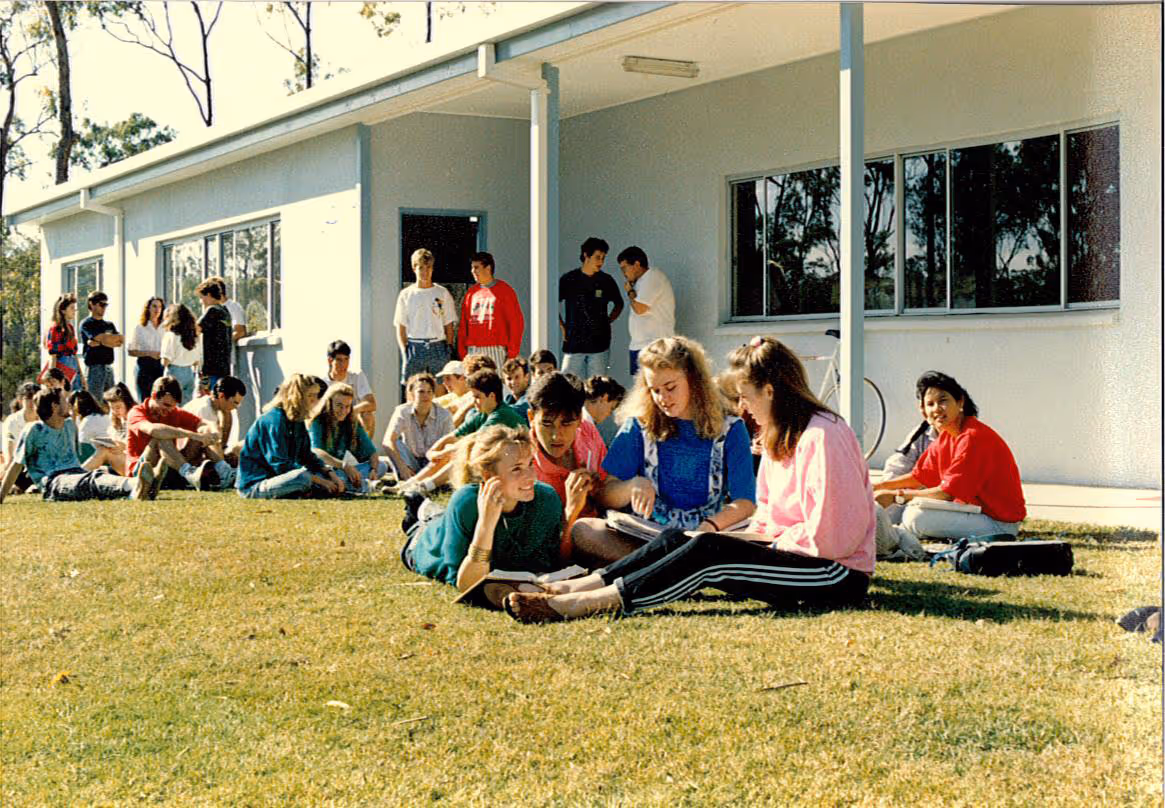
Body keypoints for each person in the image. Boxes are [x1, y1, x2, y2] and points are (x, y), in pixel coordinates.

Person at [505, 336, 875, 623]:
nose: (743, 408)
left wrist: (753, 542)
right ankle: (572, 586)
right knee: (680, 539)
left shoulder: (823, 436)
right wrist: (741, 539)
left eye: (746, 397)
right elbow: (767, 519)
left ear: (771, 392)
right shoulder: (783, 435)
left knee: (707, 550)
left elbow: (833, 538)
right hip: (795, 556)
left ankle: (582, 604)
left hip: (833, 574)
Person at [572, 336, 756, 564]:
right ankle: (680, 566)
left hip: (707, 536)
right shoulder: (638, 426)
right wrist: (631, 486)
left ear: (694, 379)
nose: (662, 399)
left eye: (670, 387)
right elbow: (605, 495)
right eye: (654, 390)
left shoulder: (732, 429)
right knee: (585, 530)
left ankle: (662, 565)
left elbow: (745, 502)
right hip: (647, 538)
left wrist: (709, 527)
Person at [402, 425, 568, 600]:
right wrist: (486, 523)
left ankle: (423, 506)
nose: (531, 476)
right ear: (488, 475)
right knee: (428, 521)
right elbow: (466, 583)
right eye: (517, 468)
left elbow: (547, 562)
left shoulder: (546, 498)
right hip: (425, 541)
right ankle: (416, 507)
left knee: (438, 514)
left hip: (447, 520)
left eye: (531, 464)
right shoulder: (465, 502)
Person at [873, 371, 1026, 544]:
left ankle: (896, 540)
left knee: (916, 515)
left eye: (943, 400)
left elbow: (946, 493)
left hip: (1000, 524)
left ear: (960, 402)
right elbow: (919, 476)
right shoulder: (947, 436)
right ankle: (897, 538)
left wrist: (895, 496)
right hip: (977, 514)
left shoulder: (972, 436)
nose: (936, 408)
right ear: (924, 413)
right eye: (930, 404)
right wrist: (878, 486)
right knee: (915, 509)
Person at [526, 372, 625, 564]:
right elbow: (544, 555)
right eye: (547, 424)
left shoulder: (588, 433)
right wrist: (570, 511)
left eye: (566, 423)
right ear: (531, 417)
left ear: (579, 418)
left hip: (603, 529)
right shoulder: (524, 465)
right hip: (568, 547)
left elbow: (606, 488)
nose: (556, 436)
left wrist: (598, 488)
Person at [392, 369, 526, 497]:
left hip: (517, 464)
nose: (473, 402)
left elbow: (471, 441)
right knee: (454, 452)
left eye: (477, 397)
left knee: (463, 452)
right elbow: (453, 435)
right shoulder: (482, 413)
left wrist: (441, 452)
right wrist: (434, 451)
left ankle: (425, 487)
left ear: (491, 396)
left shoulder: (501, 414)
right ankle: (409, 485)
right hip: (499, 462)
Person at [0, 386, 146, 503]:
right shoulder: (34, 430)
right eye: (64, 400)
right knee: (91, 480)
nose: (69, 404)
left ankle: (137, 486)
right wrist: (1, 496)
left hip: (77, 473)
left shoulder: (69, 425)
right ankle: (135, 484)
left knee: (92, 478)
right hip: (54, 482)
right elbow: (16, 465)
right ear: (54, 406)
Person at [237, 373, 345, 499]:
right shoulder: (274, 420)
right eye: (310, 395)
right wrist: (319, 481)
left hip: (281, 480)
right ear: (297, 397)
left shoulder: (297, 420)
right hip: (256, 485)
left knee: (331, 476)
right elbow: (280, 464)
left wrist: (329, 473)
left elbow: (307, 456)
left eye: (315, 395)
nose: (314, 400)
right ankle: (311, 490)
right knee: (303, 477)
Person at [127, 375, 220, 493]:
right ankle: (189, 474)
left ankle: (223, 470)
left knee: (200, 436)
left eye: (173, 406)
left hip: (167, 467)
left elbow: (204, 423)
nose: (170, 410)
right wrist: (192, 435)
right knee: (161, 438)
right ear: (154, 396)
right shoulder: (136, 412)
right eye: (166, 405)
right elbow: (153, 430)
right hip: (140, 470)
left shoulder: (173, 411)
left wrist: (210, 432)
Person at [559, 237, 624, 380]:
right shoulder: (569, 279)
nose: (601, 262)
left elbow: (619, 304)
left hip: (599, 345)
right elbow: (552, 303)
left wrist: (608, 320)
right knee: (568, 385)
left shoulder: (606, 280)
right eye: (597, 257)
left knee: (597, 387)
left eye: (603, 258)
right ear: (585, 255)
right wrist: (563, 327)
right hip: (574, 344)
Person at [308, 382, 385, 493]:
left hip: (340, 471)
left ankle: (356, 483)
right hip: (322, 469)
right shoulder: (318, 421)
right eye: (339, 405)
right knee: (320, 476)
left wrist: (373, 470)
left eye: (347, 406)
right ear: (329, 403)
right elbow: (316, 451)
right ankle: (365, 485)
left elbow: (372, 452)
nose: (344, 411)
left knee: (382, 466)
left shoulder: (352, 421)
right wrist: (345, 466)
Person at [395, 248, 457, 383]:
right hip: (415, 347)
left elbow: (449, 324)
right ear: (414, 268)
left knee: (440, 389)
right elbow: (400, 327)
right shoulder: (406, 294)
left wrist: (448, 347)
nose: (425, 272)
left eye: (428, 267)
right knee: (414, 390)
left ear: (433, 269)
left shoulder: (442, 293)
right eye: (421, 267)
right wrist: (405, 351)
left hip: (438, 346)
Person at [457, 251, 523, 369]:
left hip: (496, 349)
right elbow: (463, 325)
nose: (473, 271)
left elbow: (516, 323)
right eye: (472, 268)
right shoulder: (471, 293)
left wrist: (512, 353)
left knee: (496, 385)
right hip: (474, 349)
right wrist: (463, 352)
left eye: (476, 267)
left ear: (488, 268)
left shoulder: (505, 291)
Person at [383, 372, 453, 482]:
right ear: (411, 393)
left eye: (429, 392)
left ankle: (426, 479)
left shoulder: (444, 415)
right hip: (411, 460)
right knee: (394, 442)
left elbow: (449, 444)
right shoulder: (402, 411)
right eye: (421, 391)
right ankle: (406, 476)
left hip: (433, 461)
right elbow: (387, 441)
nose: (426, 395)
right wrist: (402, 468)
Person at [617, 246, 675, 377]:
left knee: (654, 387)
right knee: (641, 391)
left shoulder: (652, 276)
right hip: (639, 345)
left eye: (624, 267)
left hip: (654, 345)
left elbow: (640, 309)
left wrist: (630, 292)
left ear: (637, 264)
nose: (623, 272)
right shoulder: (640, 282)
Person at [183, 375, 248, 488]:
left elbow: (220, 446)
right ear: (222, 396)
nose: (236, 407)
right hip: (188, 457)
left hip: (201, 454)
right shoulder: (203, 408)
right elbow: (205, 445)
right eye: (235, 403)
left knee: (242, 447)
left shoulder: (220, 409)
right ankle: (225, 473)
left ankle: (226, 471)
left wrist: (226, 417)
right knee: (210, 432)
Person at [324, 340, 377, 439]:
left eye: (346, 359)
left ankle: (365, 450)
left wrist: (350, 411)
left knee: (367, 416)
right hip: (331, 422)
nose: (343, 364)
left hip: (352, 418)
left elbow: (371, 403)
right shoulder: (322, 382)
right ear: (330, 361)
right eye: (339, 360)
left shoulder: (357, 377)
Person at [78, 291, 123, 395]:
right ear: (91, 304)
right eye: (101, 304)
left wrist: (101, 341)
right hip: (94, 368)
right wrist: (107, 340)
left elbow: (120, 340)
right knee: (95, 401)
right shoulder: (87, 323)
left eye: (105, 305)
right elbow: (98, 337)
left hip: (108, 368)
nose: (104, 308)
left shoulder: (109, 325)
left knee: (111, 400)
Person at [196, 279, 233, 393]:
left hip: (210, 368)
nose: (201, 301)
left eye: (201, 297)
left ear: (208, 295)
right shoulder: (225, 312)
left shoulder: (211, 310)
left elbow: (196, 329)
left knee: (205, 400)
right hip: (223, 366)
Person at [160, 304, 202, 404]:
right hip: (189, 373)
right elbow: (196, 361)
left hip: (174, 372)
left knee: (170, 405)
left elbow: (165, 361)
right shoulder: (194, 336)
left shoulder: (171, 335)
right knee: (186, 406)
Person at [128, 297, 165, 403]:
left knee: (160, 400)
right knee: (145, 400)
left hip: (161, 367)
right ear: (148, 308)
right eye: (154, 306)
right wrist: (149, 353)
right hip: (145, 367)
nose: (157, 309)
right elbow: (131, 351)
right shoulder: (140, 327)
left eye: (160, 307)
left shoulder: (165, 327)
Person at [45, 294, 83, 391]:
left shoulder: (70, 328)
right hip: (63, 367)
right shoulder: (55, 329)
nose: (75, 310)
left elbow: (74, 354)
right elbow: (53, 355)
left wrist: (81, 376)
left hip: (73, 367)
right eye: (71, 308)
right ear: (63, 310)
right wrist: (51, 378)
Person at [3, 383, 40, 471]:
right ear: (20, 400)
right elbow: (10, 457)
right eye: (28, 398)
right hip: (18, 468)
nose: (32, 402)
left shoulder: (44, 419)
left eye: (35, 398)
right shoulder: (12, 421)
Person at [583, 375, 626, 448]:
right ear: (604, 398)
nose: (609, 414)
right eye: (611, 408)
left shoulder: (585, 421)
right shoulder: (583, 424)